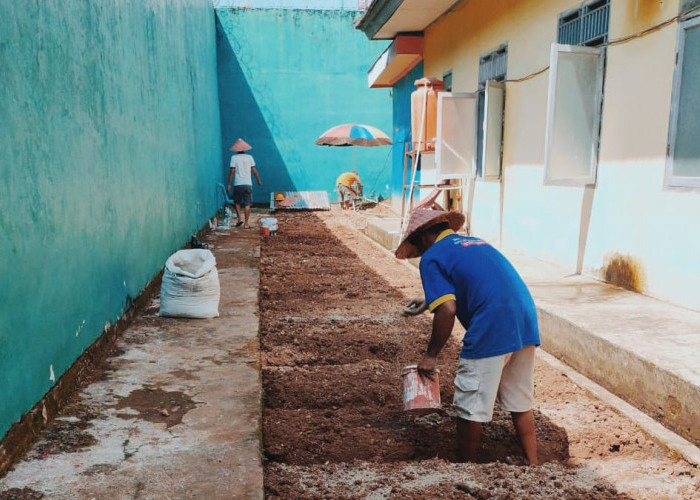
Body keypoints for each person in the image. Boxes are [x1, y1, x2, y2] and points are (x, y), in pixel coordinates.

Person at [395, 209, 541, 466]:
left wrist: (431, 355)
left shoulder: (432, 257)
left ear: (425, 236)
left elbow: (448, 309)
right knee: (520, 398)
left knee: (470, 402)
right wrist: (429, 302)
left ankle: (466, 466)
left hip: (491, 322)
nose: (421, 250)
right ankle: (532, 460)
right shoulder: (475, 242)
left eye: (418, 245)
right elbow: (476, 283)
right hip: (525, 318)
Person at [227, 138, 262, 229]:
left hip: (238, 184)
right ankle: (246, 224)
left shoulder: (234, 158)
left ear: (237, 149)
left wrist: (229, 184)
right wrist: (258, 180)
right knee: (247, 204)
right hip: (248, 184)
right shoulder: (249, 157)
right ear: (245, 149)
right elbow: (254, 171)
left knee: (237, 202)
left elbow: (232, 171)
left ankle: (240, 218)